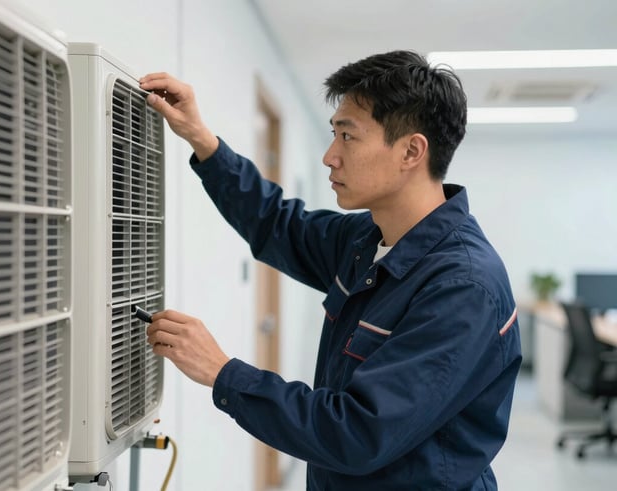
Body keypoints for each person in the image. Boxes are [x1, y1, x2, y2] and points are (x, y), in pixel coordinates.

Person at [139, 50, 522, 490]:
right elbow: (277, 223)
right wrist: (201, 139)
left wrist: (223, 372)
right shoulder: (366, 240)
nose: (329, 156)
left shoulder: (463, 288)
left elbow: (358, 433)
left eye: (348, 136)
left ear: (411, 151)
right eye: (333, 134)